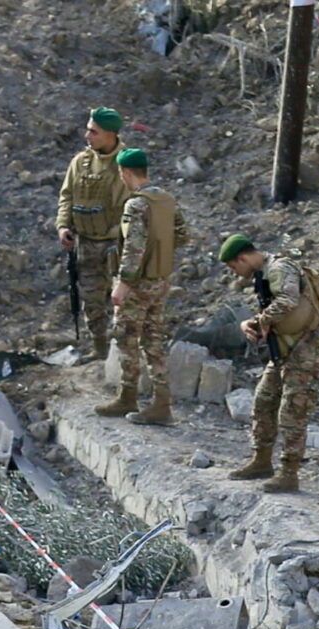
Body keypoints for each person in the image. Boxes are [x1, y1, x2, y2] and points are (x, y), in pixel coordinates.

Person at [219, 235, 319, 495]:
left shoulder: (280, 268)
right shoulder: (266, 273)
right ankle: (262, 461)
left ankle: (289, 473)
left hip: (306, 347)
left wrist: (257, 322)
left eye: (234, 267)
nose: (236, 273)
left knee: (293, 411)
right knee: (264, 401)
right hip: (285, 348)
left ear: (243, 258)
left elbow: (288, 301)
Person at [96, 147, 186, 424]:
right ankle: (161, 403)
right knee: (154, 339)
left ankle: (128, 396)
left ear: (125, 172)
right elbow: (182, 236)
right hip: (161, 280)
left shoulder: (136, 204)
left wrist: (123, 283)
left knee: (126, 337)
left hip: (138, 284)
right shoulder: (167, 200)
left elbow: (133, 248)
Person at [54, 107, 130, 358]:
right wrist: (64, 226)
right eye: (88, 130)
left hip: (117, 247)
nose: (87, 136)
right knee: (92, 301)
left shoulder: (127, 164)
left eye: (93, 131)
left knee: (124, 303)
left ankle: (126, 355)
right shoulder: (80, 162)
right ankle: (100, 351)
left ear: (110, 134)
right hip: (86, 244)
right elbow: (66, 198)